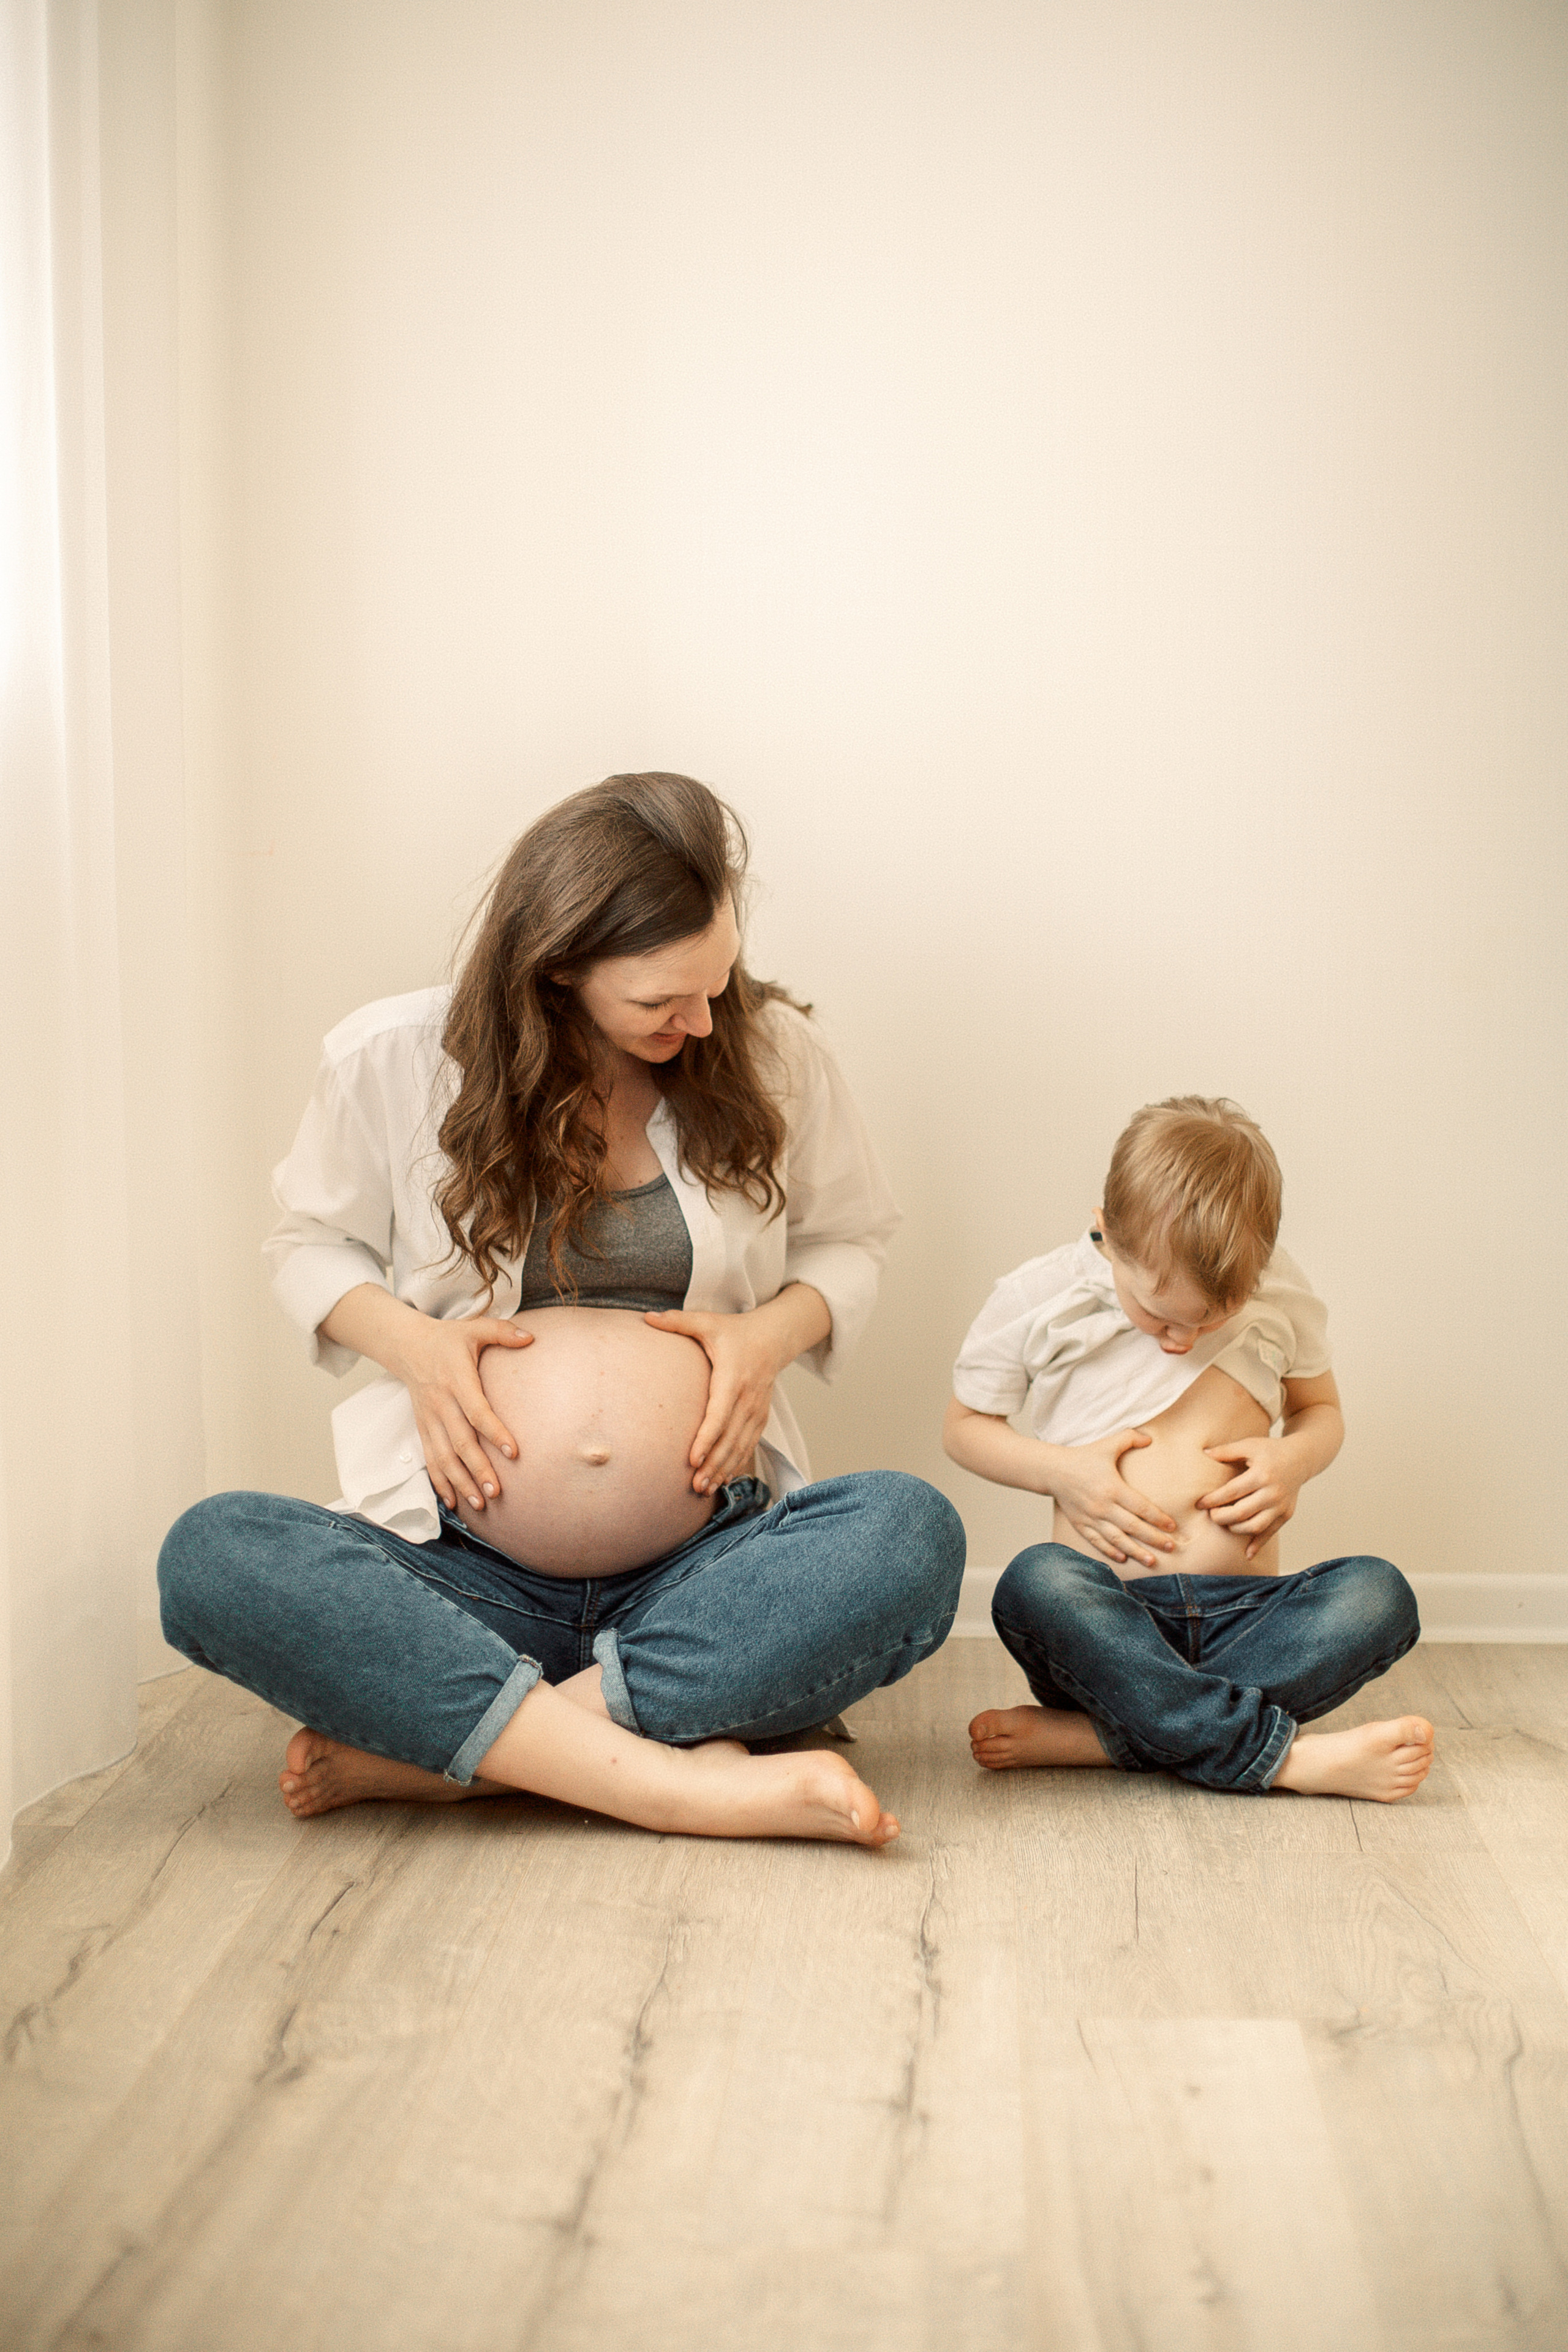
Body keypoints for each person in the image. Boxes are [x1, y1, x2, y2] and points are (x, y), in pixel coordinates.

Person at [159, 773, 964, 1846]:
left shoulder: (769, 1055)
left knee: (911, 1534)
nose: (706, 1018)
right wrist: (418, 1348)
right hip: (460, 1577)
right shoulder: (393, 1059)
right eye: (663, 1001)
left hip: (706, 1574)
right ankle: (669, 1777)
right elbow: (307, 1243)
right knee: (211, 1555)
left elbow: (849, 1240)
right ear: (556, 968)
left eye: (717, 981)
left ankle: (476, 1762)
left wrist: (769, 1335)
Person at [943, 1096, 1432, 1802]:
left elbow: (1320, 1411)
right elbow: (963, 1428)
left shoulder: (1278, 1288)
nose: (1181, 1341)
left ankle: (1111, 1738)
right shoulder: (1039, 1297)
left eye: (1212, 1319)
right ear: (1106, 1234)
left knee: (1379, 1595)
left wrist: (1293, 1461)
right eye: (1159, 1317)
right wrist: (1062, 1472)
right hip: (1108, 1619)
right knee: (1033, 1582)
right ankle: (1283, 1757)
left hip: (1248, 1617)